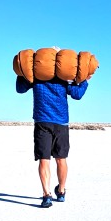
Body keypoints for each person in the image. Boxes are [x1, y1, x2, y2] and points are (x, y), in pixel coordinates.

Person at [16, 64, 89, 208]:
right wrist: (85, 80)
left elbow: (20, 89)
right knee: (61, 159)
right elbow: (77, 94)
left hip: (42, 122)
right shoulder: (64, 77)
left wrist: (21, 72)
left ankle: (47, 195)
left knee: (44, 160)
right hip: (61, 123)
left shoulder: (36, 76)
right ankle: (61, 192)